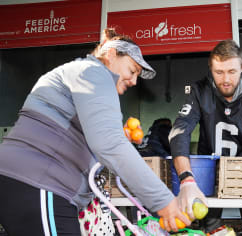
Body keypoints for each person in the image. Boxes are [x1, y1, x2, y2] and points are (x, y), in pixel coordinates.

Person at [0, 28, 190, 236]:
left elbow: (79, 133)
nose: (135, 81)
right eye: (132, 70)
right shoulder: (94, 72)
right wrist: (163, 201)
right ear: (110, 54)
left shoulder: (78, 72)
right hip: (39, 183)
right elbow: (108, 144)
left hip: (28, 182)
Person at [168, 40, 242, 236]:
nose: (225, 79)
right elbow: (179, 132)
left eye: (232, 72)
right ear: (210, 68)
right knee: (210, 227)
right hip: (209, 174)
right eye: (218, 72)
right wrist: (186, 179)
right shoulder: (200, 91)